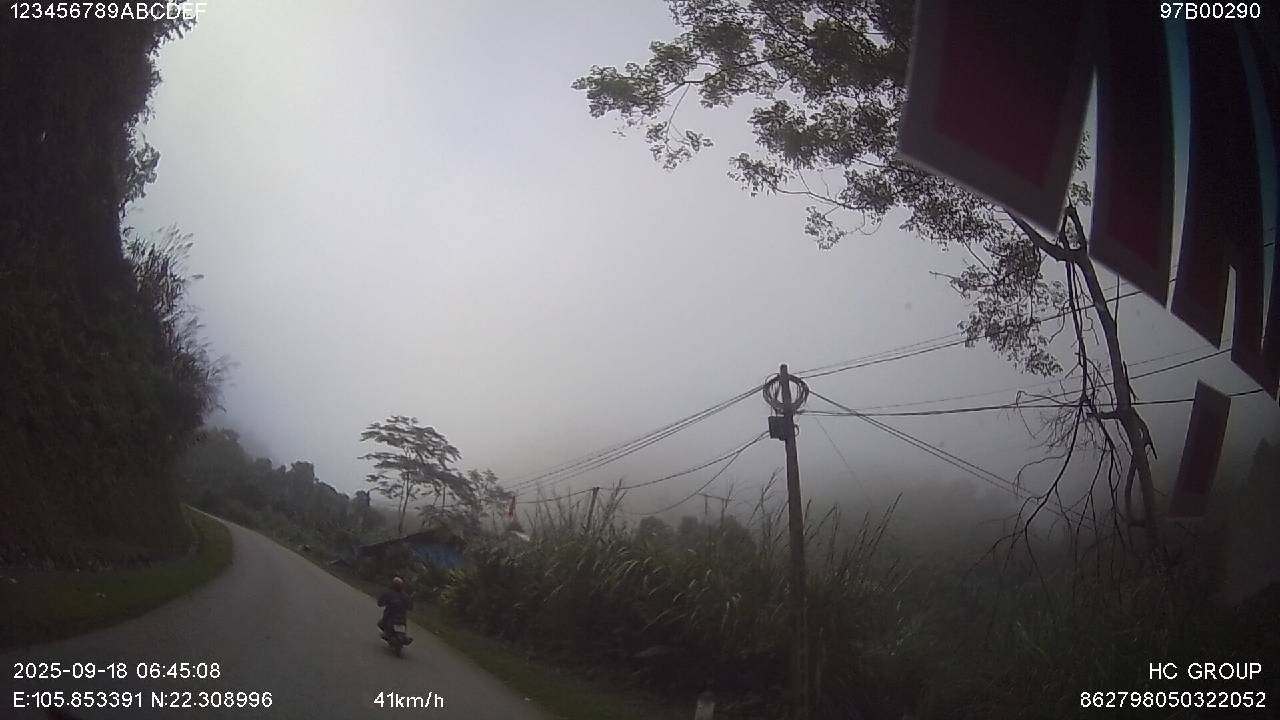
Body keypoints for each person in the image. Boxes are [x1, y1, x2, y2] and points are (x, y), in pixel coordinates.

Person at [376, 576, 413, 644]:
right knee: (383, 623)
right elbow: (410, 607)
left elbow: (380, 603)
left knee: (381, 623)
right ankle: (392, 634)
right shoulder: (405, 595)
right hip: (401, 617)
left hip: (391, 616)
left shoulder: (389, 593)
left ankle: (388, 634)